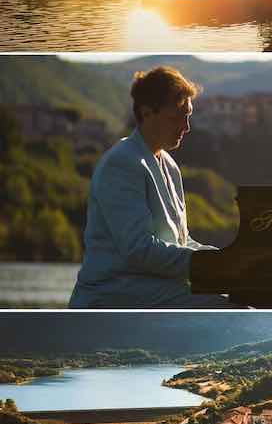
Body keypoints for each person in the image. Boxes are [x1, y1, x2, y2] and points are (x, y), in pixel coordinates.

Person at [69, 67, 238, 309]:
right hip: (113, 294)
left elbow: (182, 241)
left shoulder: (169, 164)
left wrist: (228, 260)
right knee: (229, 305)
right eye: (177, 117)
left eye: (188, 115)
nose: (186, 126)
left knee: (244, 298)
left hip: (156, 289)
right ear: (147, 113)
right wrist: (212, 265)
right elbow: (139, 249)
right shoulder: (122, 163)